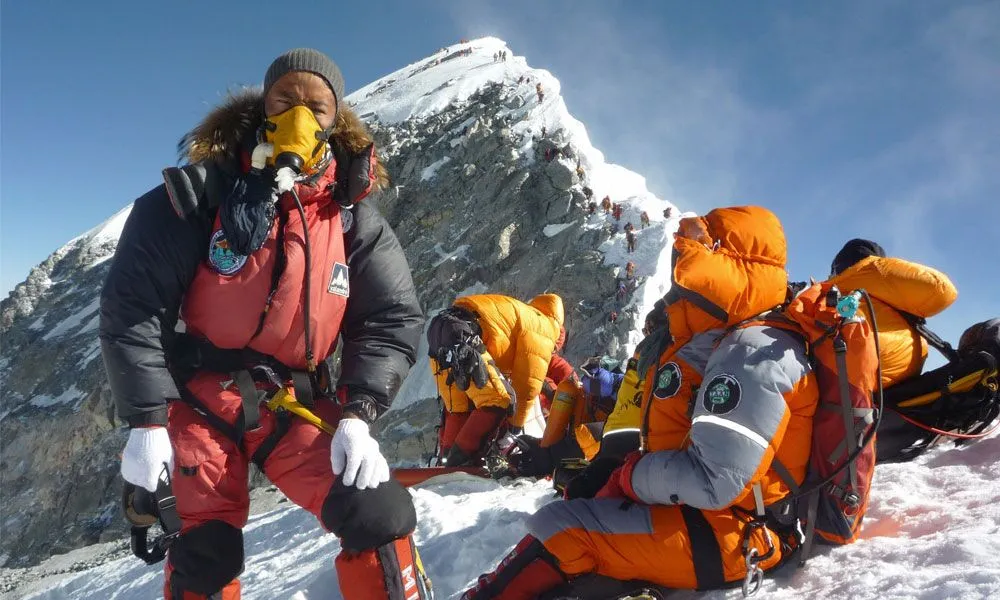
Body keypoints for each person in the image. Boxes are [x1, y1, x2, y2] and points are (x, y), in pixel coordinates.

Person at [102, 49, 428, 599]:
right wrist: (147, 422)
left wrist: (359, 413)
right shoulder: (198, 196)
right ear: (263, 107)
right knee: (204, 553)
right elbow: (133, 307)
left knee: (378, 513)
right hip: (199, 399)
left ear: (335, 120)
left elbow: (389, 317)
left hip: (292, 400)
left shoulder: (350, 218)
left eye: (317, 107)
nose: (300, 116)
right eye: (285, 100)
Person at [461, 206, 820, 598]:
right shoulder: (716, 342)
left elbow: (717, 480)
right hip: (704, 517)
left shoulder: (752, 352)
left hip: (737, 534)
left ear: (722, 269)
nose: (678, 278)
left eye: (691, 257)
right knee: (570, 519)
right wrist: (618, 471)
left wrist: (629, 476)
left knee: (561, 529)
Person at [428, 294, 565, 467]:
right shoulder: (542, 329)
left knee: (460, 409)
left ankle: (444, 463)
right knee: (498, 400)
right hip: (465, 335)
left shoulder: (522, 313)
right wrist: (514, 428)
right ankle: (460, 464)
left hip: (439, 331)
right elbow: (527, 387)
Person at [827, 238, 957, 387]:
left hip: (856, 385)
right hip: (887, 384)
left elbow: (942, 289)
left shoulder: (841, 298)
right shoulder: (879, 293)